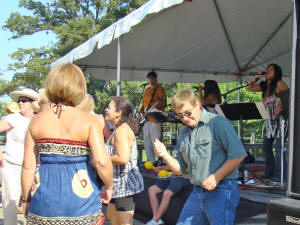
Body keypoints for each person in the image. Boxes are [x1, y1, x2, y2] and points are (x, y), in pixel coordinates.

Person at [21, 63, 113, 224]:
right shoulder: (89, 121)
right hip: (81, 205)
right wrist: (109, 186)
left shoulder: (35, 122)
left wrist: (27, 199)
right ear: (79, 88)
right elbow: (101, 162)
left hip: (44, 205)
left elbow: (28, 167)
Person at [153, 90, 247, 225]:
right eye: (180, 116)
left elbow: (238, 154)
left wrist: (216, 176)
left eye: (188, 113)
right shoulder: (183, 132)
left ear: (197, 105)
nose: (185, 118)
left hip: (221, 190)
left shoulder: (217, 123)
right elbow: (179, 170)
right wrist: (164, 155)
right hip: (197, 191)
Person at [245, 64, 289, 183]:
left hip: (282, 119)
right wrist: (256, 77)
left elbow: (290, 98)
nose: (267, 71)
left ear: (276, 72)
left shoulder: (279, 83)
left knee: (279, 146)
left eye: (271, 70)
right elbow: (248, 88)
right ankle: (269, 173)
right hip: (270, 120)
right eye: (267, 69)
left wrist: (281, 106)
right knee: (266, 145)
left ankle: (282, 177)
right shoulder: (265, 86)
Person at [0, 88, 38, 225]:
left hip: (33, 168)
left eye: (24, 100)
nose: (20, 103)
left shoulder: (39, 120)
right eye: (19, 100)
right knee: (10, 203)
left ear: (33, 103)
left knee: (35, 202)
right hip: (12, 166)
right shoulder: (12, 118)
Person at [105, 96, 144, 225]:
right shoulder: (118, 129)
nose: (106, 110)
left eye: (109, 107)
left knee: (123, 222)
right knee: (112, 217)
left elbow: (122, 158)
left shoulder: (121, 130)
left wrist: (102, 159)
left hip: (124, 183)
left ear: (119, 112)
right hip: (116, 183)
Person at [138, 71, 167, 164]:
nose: (151, 79)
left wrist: (153, 106)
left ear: (156, 78)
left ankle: (160, 160)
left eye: (153, 78)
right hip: (146, 118)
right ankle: (151, 160)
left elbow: (162, 101)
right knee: (147, 140)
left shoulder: (160, 89)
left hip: (155, 118)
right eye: (149, 78)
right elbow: (144, 104)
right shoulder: (146, 90)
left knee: (156, 140)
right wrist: (140, 111)